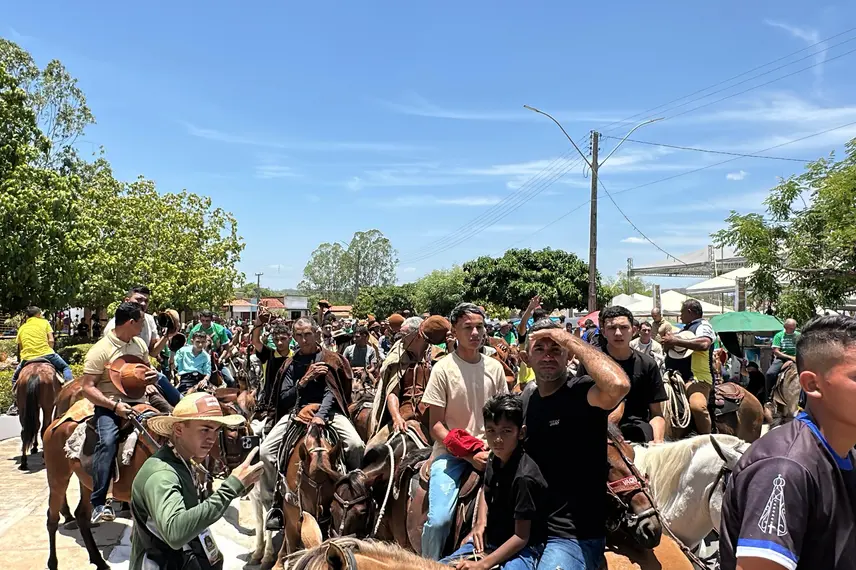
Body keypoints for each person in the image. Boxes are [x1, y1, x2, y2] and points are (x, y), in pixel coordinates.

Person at [719, 315, 856, 570]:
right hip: (782, 360)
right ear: (812, 384)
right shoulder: (784, 468)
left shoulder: (847, 454)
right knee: (770, 373)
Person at [523, 319, 630, 570]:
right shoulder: (527, 399)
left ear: (568, 355)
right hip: (527, 529)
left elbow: (618, 385)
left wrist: (566, 337)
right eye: (540, 349)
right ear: (526, 357)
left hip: (574, 535)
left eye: (556, 349)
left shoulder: (582, 392)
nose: (548, 355)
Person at [131, 392, 263, 570]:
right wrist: (231, 487)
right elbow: (175, 533)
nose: (212, 438)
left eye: (216, 431)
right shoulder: (162, 475)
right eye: (205, 429)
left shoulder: (184, 461)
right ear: (178, 430)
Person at [421, 303, 509, 560]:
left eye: (479, 327)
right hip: (451, 455)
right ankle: (429, 565)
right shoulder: (443, 369)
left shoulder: (494, 368)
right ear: (454, 333)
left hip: (495, 451)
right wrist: (469, 454)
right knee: (438, 521)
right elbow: (436, 425)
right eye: (467, 327)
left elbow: (504, 415)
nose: (475, 333)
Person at [259, 317, 363, 531]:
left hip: (328, 413)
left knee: (355, 445)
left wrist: (321, 415)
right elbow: (285, 398)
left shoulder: (332, 359)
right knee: (265, 452)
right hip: (297, 414)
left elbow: (332, 392)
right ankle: (274, 505)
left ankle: (356, 494)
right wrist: (303, 381)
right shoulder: (290, 363)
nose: (303, 339)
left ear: (317, 333)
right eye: (298, 335)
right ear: (293, 337)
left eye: (307, 334)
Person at [440, 394, 547, 570]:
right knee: (439, 566)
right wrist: (480, 523)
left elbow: (521, 537)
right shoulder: (493, 458)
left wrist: (482, 564)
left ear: (521, 433)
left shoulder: (524, 478)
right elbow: (485, 489)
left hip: (524, 548)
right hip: (493, 539)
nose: (497, 439)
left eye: (506, 431)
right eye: (491, 431)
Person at [82, 301, 160, 523]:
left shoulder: (139, 345)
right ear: (131, 322)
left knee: (174, 421)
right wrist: (114, 406)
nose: (143, 327)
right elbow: (87, 387)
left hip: (141, 401)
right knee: (107, 441)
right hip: (111, 405)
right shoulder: (101, 350)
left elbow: (147, 369)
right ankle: (99, 503)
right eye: (142, 323)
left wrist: (151, 376)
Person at [576, 306, 666, 444]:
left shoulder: (648, 364)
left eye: (624, 328)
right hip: (597, 431)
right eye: (612, 328)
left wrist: (658, 442)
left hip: (638, 432)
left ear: (634, 331)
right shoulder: (591, 363)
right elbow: (579, 407)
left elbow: (657, 414)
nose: (618, 333)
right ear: (604, 331)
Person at [367, 316, 451, 448]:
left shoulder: (438, 357)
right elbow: (392, 391)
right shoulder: (397, 356)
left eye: (404, 334)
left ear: (417, 335)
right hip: (403, 413)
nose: (400, 338)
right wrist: (396, 417)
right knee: (372, 447)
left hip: (432, 416)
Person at [103, 285, 180, 406]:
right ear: (127, 300)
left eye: (146, 301)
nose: (143, 303)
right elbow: (119, 361)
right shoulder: (115, 325)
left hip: (148, 372)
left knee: (179, 400)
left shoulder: (149, 320)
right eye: (138, 300)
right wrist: (144, 381)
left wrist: (167, 336)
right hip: (124, 375)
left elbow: (153, 352)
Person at [661, 300, 716, 434]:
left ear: (689, 312)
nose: (680, 316)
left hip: (698, 378)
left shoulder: (703, 326)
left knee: (697, 407)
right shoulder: (685, 329)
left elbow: (704, 344)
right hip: (677, 378)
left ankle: (707, 439)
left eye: (682, 313)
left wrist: (675, 341)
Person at [10, 306, 74, 390]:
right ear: (38, 314)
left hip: (27, 358)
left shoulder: (22, 328)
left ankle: (15, 401)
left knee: (14, 379)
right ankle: (69, 391)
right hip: (47, 354)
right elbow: (51, 340)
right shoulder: (44, 322)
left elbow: (21, 347)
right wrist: (49, 350)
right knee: (65, 368)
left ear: (28, 316)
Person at [189, 310, 235, 388]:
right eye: (203, 320)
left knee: (231, 380)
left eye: (207, 321)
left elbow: (226, 348)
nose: (205, 323)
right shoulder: (194, 331)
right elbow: (189, 348)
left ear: (211, 319)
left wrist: (220, 359)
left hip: (216, 362)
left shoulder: (220, 329)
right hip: (198, 362)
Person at [765, 318, 800, 402]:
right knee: (770, 373)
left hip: (797, 357)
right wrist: (790, 357)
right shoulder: (779, 336)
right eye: (791, 328)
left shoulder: (799, 335)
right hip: (782, 358)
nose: (793, 330)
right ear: (785, 327)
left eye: (794, 328)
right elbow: (776, 352)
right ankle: (768, 396)